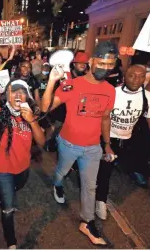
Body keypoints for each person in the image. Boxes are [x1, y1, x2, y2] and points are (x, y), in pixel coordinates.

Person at [42, 41, 118, 245]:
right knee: (61, 172)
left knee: (90, 186)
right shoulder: (72, 85)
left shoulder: (111, 90)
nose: (106, 67)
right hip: (68, 144)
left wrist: (107, 143)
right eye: (102, 62)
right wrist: (51, 82)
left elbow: (105, 118)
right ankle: (57, 185)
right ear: (91, 62)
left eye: (111, 64)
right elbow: (45, 107)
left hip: (93, 148)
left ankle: (87, 222)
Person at [0, 62, 45, 249]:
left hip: (23, 167)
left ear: (27, 95)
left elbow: (42, 142)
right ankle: (11, 242)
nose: (18, 95)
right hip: (2, 168)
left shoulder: (31, 115)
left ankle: (4, 193)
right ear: (7, 96)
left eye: (22, 92)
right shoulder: (0, 113)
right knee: (8, 208)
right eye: (14, 91)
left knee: (17, 187)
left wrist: (32, 121)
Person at [95, 64, 150, 220]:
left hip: (127, 140)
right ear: (125, 76)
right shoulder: (113, 93)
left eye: (141, 76)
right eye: (132, 75)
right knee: (106, 169)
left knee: (113, 166)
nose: (136, 80)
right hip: (108, 139)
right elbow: (102, 118)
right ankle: (100, 200)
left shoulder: (147, 97)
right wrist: (106, 144)